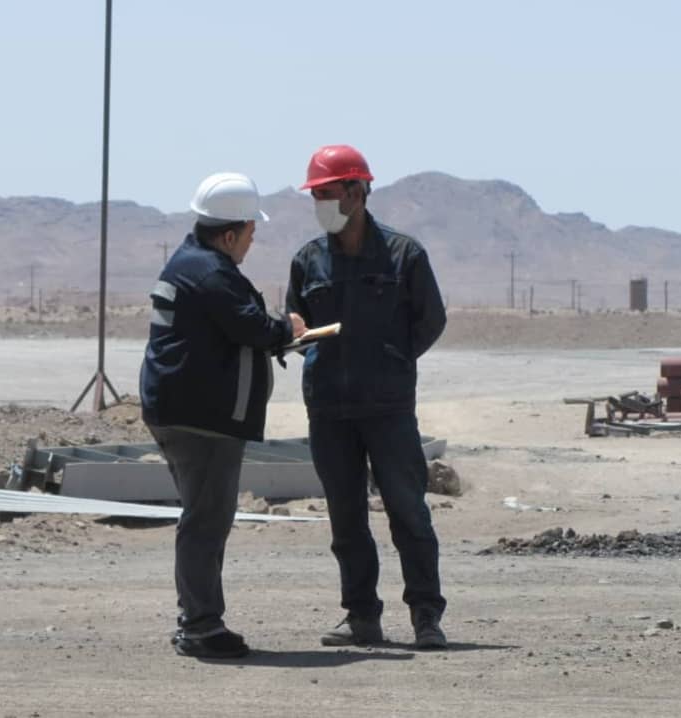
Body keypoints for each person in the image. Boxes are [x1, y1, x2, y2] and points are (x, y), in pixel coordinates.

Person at [285, 145, 449, 649]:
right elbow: (296, 324)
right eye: (316, 195)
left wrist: (392, 361)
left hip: (388, 410)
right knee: (346, 519)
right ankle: (361, 617)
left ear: (356, 192)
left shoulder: (404, 255)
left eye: (327, 193)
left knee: (408, 512)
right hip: (329, 410)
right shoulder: (308, 261)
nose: (320, 204)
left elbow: (431, 320)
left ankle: (426, 616)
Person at [140, 171, 306, 659]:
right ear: (230, 234)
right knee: (207, 521)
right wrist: (288, 328)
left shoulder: (191, 263)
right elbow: (252, 328)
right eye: (251, 232)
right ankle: (201, 627)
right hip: (202, 419)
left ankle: (198, 619)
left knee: (203, 517)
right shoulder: (211, 273)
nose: (252, 241)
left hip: (181, 411)